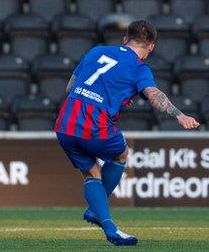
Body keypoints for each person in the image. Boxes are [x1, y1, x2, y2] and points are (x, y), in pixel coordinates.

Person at [55, 19, 199, 246]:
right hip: (95, 125)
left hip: (65, 125)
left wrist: (113, 92)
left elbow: (70, 88)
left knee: (92, 173)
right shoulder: (139, 67)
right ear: (151, 46)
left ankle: (97, 211)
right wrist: (179, 115)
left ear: (125, 39)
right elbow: (153, 95)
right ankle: (101, 216)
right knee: (121, 154)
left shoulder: (96, 51)